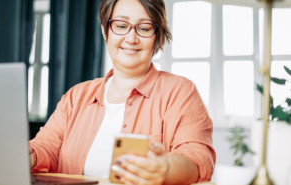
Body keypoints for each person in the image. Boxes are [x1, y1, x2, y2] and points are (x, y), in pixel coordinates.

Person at [29, 0, 216, 184]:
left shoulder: (180, 92)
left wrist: (165, 168)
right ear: (105, 30)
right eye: (120, 25)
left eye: (144, 28)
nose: (131, 38)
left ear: (157, 36)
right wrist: (28, 156)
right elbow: (45, 148)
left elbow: (198, 158)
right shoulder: (75, 96)